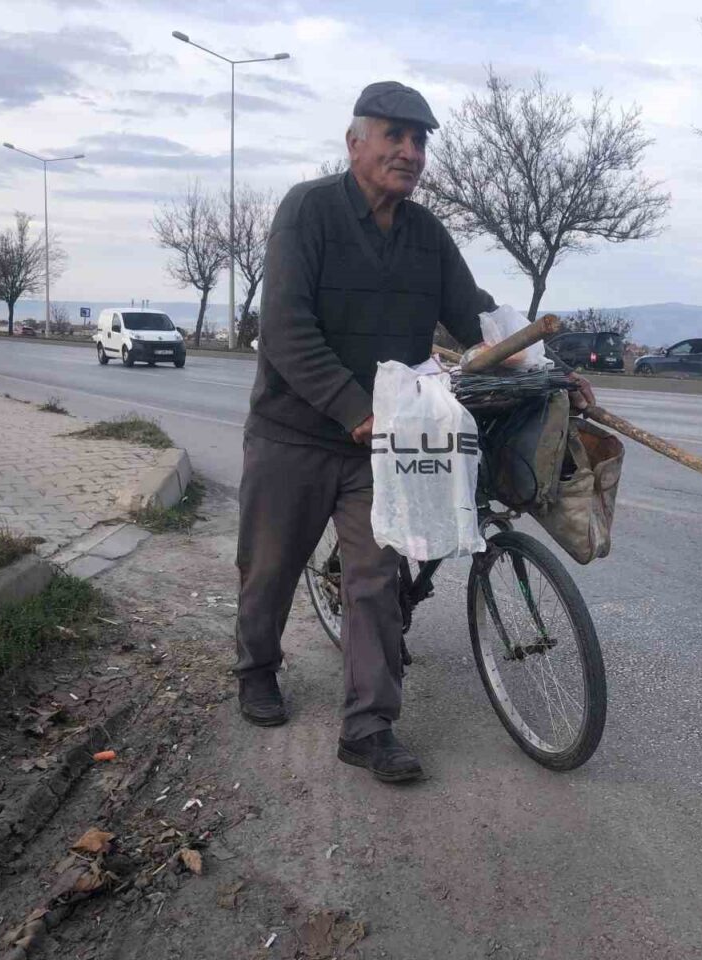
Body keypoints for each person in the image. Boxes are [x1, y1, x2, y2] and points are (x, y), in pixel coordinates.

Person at [235, 80, 592, 784]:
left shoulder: (427, 237)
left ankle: (369, 726)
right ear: (355, 142)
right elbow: (283, 328)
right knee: (270, 567)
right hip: (295, 431)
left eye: (420, 140)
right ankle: (256, 666)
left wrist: (549, 369)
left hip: (385, 444)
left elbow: (477, 318)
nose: (409, 151)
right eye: (394, 135)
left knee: (373, 577)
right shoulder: (308, 210)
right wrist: (354, 410)